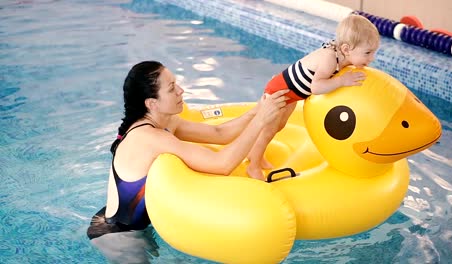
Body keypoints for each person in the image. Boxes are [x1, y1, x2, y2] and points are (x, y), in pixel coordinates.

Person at [87, 61, 288, 263]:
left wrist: (257, 110)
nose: (181, 91)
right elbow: (222, 164)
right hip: (118, 234)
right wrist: (261, 120)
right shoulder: (148, 137)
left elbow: (220, 134)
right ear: (152, 103)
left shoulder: (166, 122)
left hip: (132, 223)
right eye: (172, 88)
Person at [246, 14, 381, 180]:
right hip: (279, 92)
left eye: (373, 52)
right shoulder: (330, 59)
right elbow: (316, 87)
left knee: (278, 126)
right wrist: (342, 81)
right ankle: (253, 166)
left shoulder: (343, 56)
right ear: (346, 49)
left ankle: (255, 154)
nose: (371, 58)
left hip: (291, 93)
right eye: (367, 53)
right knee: (269, 130)